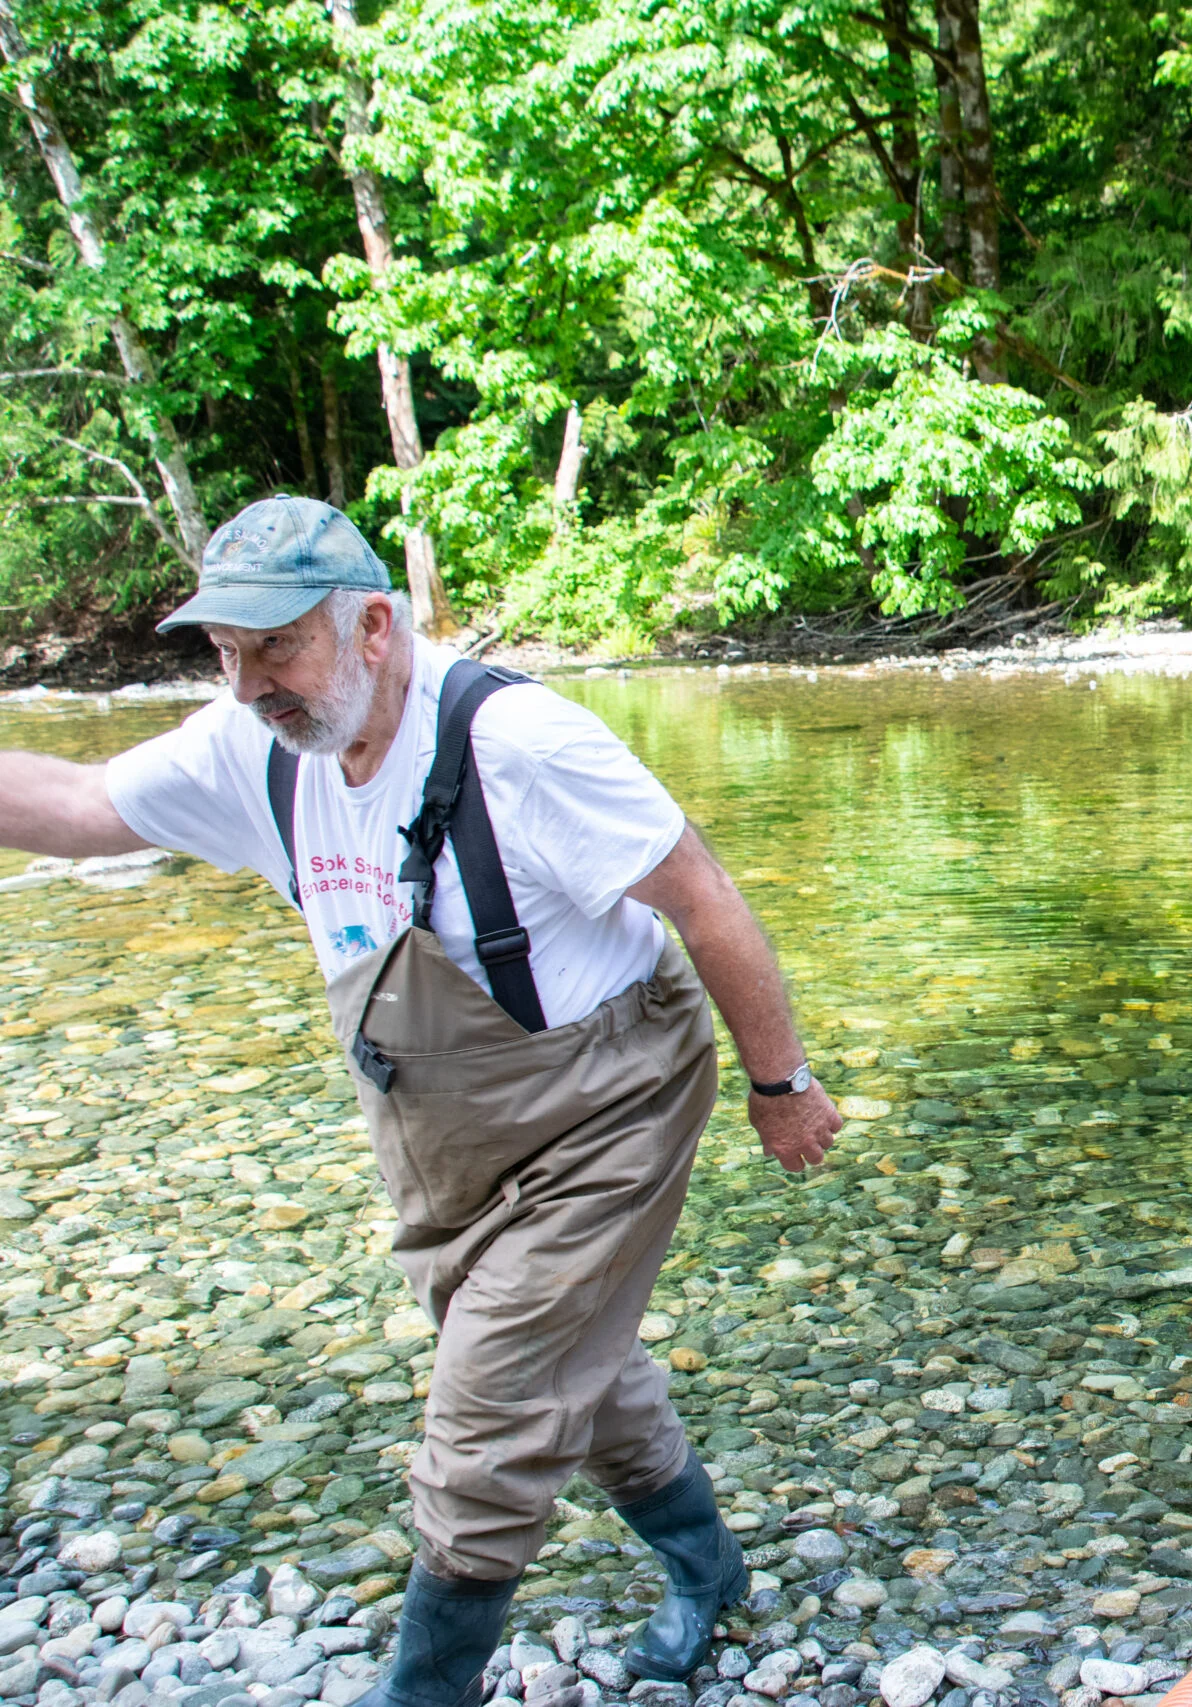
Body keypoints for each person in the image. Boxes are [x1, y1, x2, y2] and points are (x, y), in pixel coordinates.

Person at [0, 498, 846, 1707]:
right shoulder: (259, 748)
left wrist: (782, 1086)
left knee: (488, 1403)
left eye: (274, 648)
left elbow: (703, 897)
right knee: (573, 1357)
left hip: (610, 1095)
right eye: (223, 654)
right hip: (442, 1123)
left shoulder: (520, 746)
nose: (246, 686)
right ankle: (709, 1572)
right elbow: (81, 808)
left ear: (375, 628)